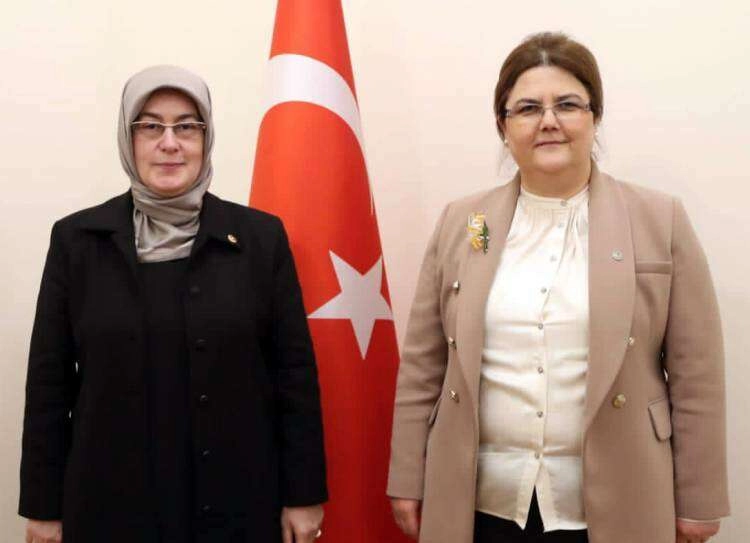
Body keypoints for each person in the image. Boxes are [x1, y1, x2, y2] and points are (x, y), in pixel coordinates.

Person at [386, 32, 729, 543]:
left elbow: (696, 374)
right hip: (480, 504)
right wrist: (407, 478)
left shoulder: (659, 220)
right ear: (503, 126)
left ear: (595, 117)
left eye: (567, 104)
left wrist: (699, 499)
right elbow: (423, 366)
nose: (548, 121)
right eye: (528, 108)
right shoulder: (465, 222)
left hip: (618, 498)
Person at [19, 65, 327, 543]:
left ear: (206, 137)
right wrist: (42, 507)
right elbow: (49, 386)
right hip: (107, 505)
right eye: (150, 126)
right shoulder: (76, 241)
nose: (169, 143)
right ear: (128, 139)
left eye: (186, 126)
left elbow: (294, 377)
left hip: (239, 501)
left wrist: (304, 494)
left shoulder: (260, 239)